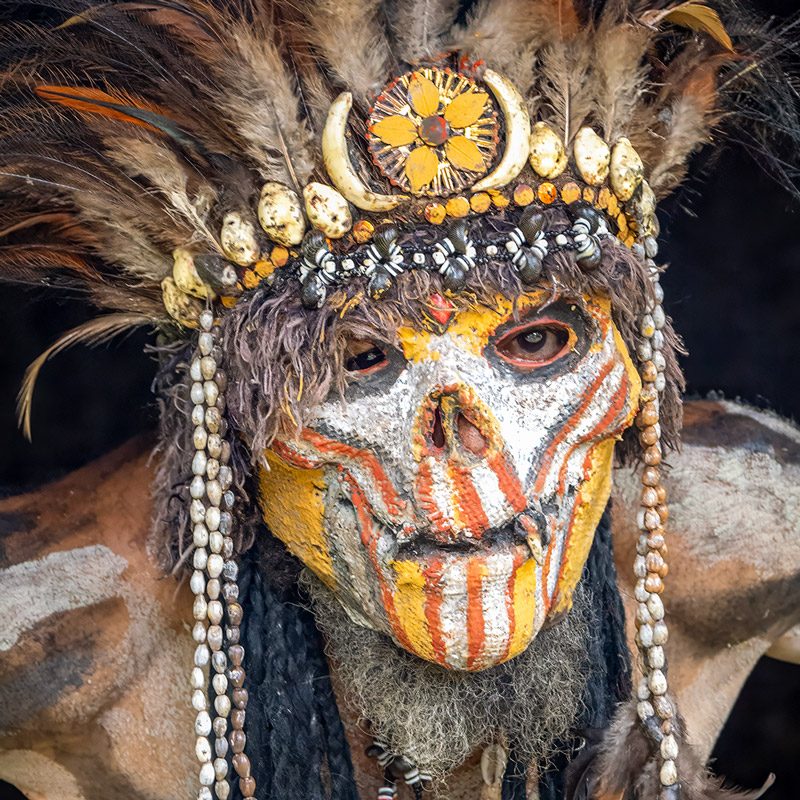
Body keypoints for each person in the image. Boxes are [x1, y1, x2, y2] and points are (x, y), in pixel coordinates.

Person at [0, 2, 798, 799]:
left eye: (534, 343)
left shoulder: (728, 529)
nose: (463, 436)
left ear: (637, 368)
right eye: (361, 361)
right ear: (230, 420)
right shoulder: (68, 623)